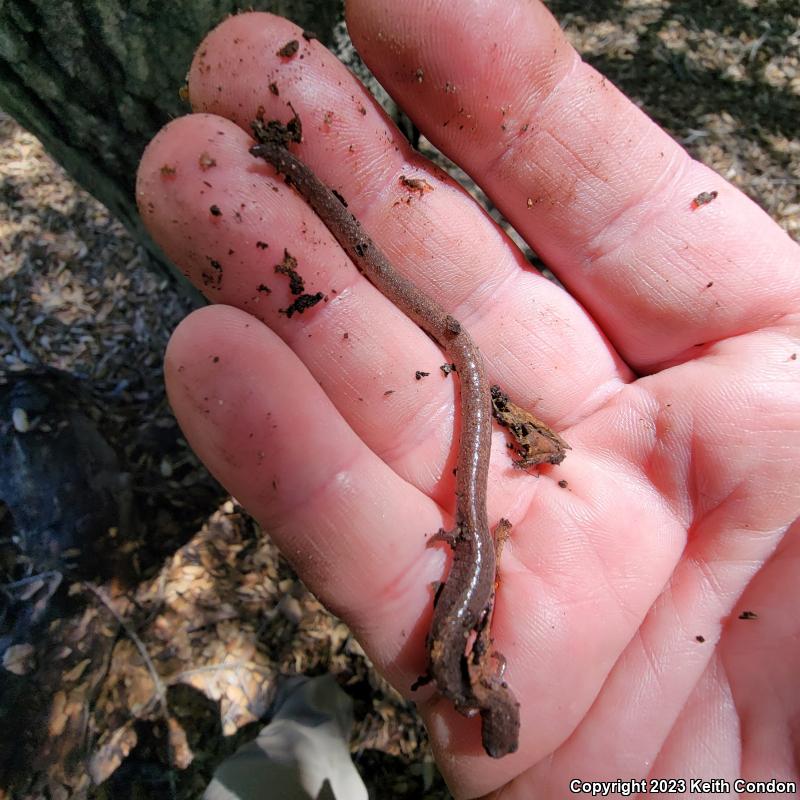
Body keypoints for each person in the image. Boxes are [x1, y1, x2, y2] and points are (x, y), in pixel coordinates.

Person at [137, 0, 800, 796]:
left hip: (476, 547)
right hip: (472, 536)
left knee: (456, 358)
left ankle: (296, 169)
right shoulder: (482, 669)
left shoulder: (488, 670)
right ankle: (294, 168)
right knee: (453, 352)